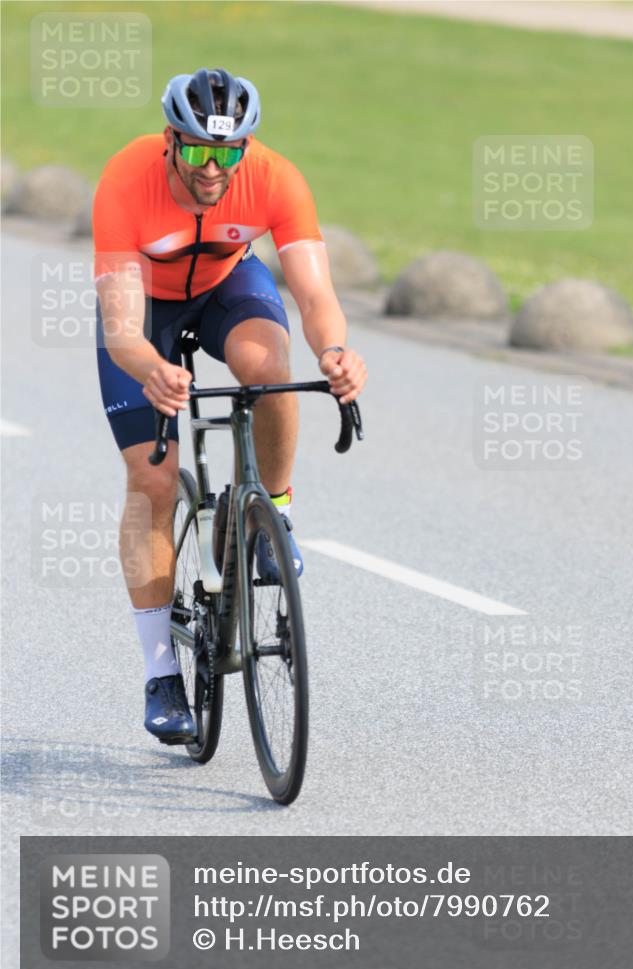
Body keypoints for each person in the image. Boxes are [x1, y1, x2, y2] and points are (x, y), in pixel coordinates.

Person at [93, 67, 367, 744]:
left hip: (223, 284)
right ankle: (161, 675)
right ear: (170, 141)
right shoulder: (127, 181)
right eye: (196, 151)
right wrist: (154, 370)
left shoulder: (275, 178)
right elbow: (123, 330)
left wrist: (335, 350)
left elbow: (312, 294)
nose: (213, 168)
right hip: (146, 312)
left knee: (268, 368)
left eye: (228, 152)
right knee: (153, 479)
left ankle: (272, 513)